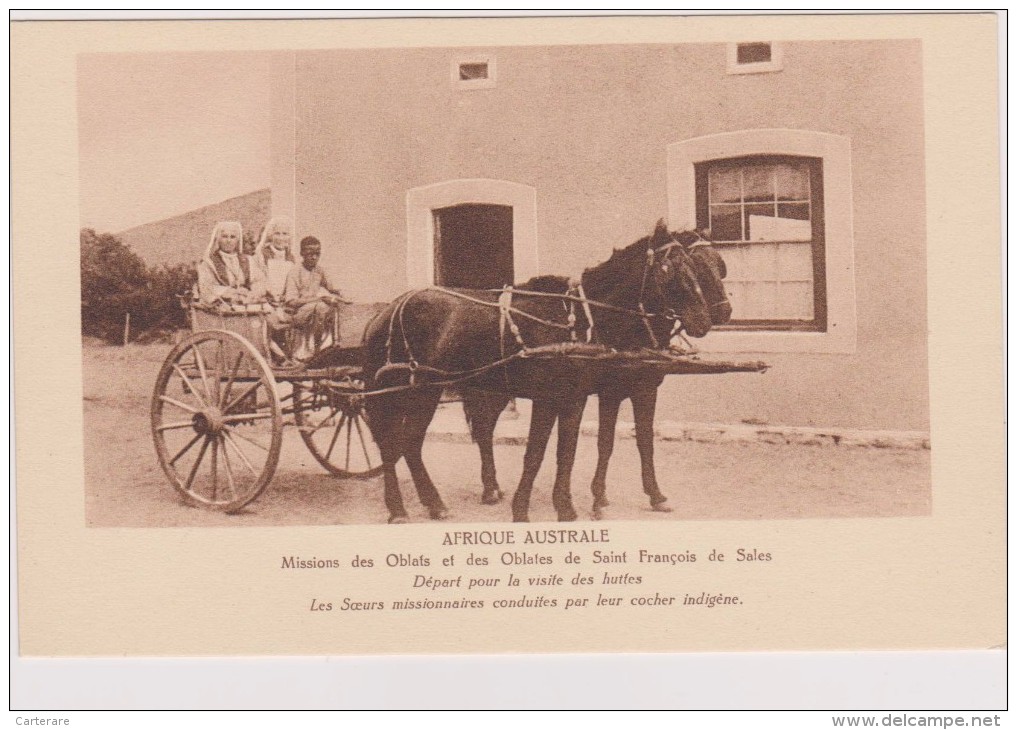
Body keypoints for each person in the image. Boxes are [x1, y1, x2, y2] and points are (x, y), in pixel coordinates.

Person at [284, 236, 348, 360]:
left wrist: (342, 295)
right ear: (302, 253)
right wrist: (320, 299)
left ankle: (334, 345)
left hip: (313, 311)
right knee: (322, 306)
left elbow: (332, 287)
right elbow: (291, 302)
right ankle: (315, 350)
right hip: (296, 314)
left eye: (317, 254)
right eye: (310, 254)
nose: (314, 257)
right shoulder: (294, 272)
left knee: (336, 307)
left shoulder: (319, 271)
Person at [196, 221, 254, 308]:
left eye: (232, 237)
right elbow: (207, 287)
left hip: (247, 303)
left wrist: (251, 293)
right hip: (221, 305)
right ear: (218, 239)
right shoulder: (209, 262)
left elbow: (259, 280)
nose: (228, 240)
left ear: (237, 240)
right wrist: (232, 292)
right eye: (224, 236)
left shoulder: (247, 260)